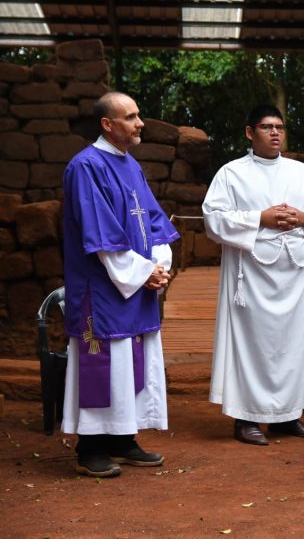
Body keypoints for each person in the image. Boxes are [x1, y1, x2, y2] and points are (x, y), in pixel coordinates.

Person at [62, 92, 180, 478]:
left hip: (136, 285)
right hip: (102, 290)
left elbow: (154, 221)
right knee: (104, 362)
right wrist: (143, 273)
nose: (139, 122)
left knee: (131, 362)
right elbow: (101, 234)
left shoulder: (130, 164)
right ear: (107, 124)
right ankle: (91, 447)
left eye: (138, 114)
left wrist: (159, 266)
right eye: (130, 117)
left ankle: (123, 439)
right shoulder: (86, 167)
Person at [203, 104, 304, 446]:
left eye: (280, 126)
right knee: (253, 345)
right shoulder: (231, 174)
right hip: (252, 276)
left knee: (294, 343)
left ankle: (288, 416)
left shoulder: (302, 173)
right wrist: (259, 218)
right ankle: (246, 417)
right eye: (266, 127)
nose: (275, 132)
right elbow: (214, 220)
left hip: (295, 272)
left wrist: (303, 218)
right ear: (250, 132)